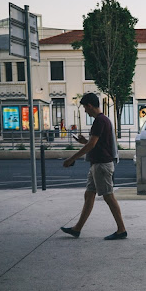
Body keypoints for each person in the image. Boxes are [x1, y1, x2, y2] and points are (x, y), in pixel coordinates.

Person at [60, 93, 127, 240]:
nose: (85, 111)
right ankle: (77, 229)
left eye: (85, 107)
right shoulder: (103, 120)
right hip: (97, 164)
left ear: (90, 106)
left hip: (102, 165)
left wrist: (72, 158)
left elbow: (92, 144)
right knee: (89, 194)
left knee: (109, 196)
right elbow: (97, 144)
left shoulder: (99, 121)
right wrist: (85, 141)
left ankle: (121, 230)